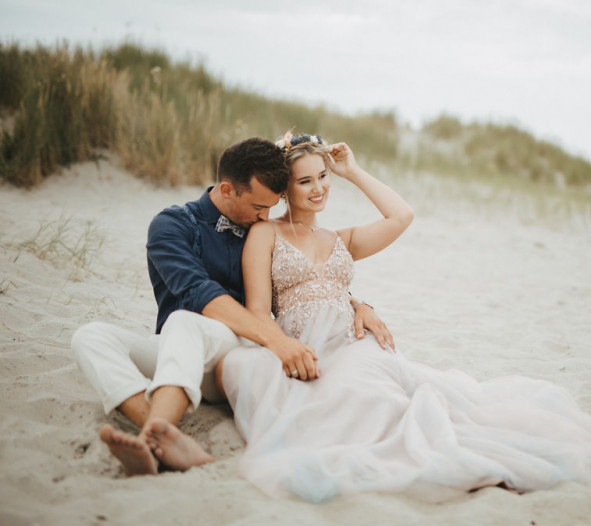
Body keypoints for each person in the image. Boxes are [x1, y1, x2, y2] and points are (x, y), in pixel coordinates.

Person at [201, 133, 591, 502]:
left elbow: (402, 215)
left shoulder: (341, 239)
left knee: (386, 394)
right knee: (356, 404)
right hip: (305, 345)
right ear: (285, 188)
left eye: (323, 177)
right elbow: (258, 310)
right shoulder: (266, 233)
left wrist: (352, 171)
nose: (319, 188)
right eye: (305, 181)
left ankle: (456, 464)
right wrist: (287, 348)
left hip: (355, 343)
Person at [70, 137, 394, 477]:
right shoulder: (172, 225)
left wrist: (357, 302)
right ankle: (161, 431)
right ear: (227, 190)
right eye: (258, 207)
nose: (264, 216)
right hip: (179, 354)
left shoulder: (260, 231)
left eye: (269, 207)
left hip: (239, 350)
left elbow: (305, 281)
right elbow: (199, 292)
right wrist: (279, 341)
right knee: (90, 337)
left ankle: (153, 437)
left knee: (183, 321)